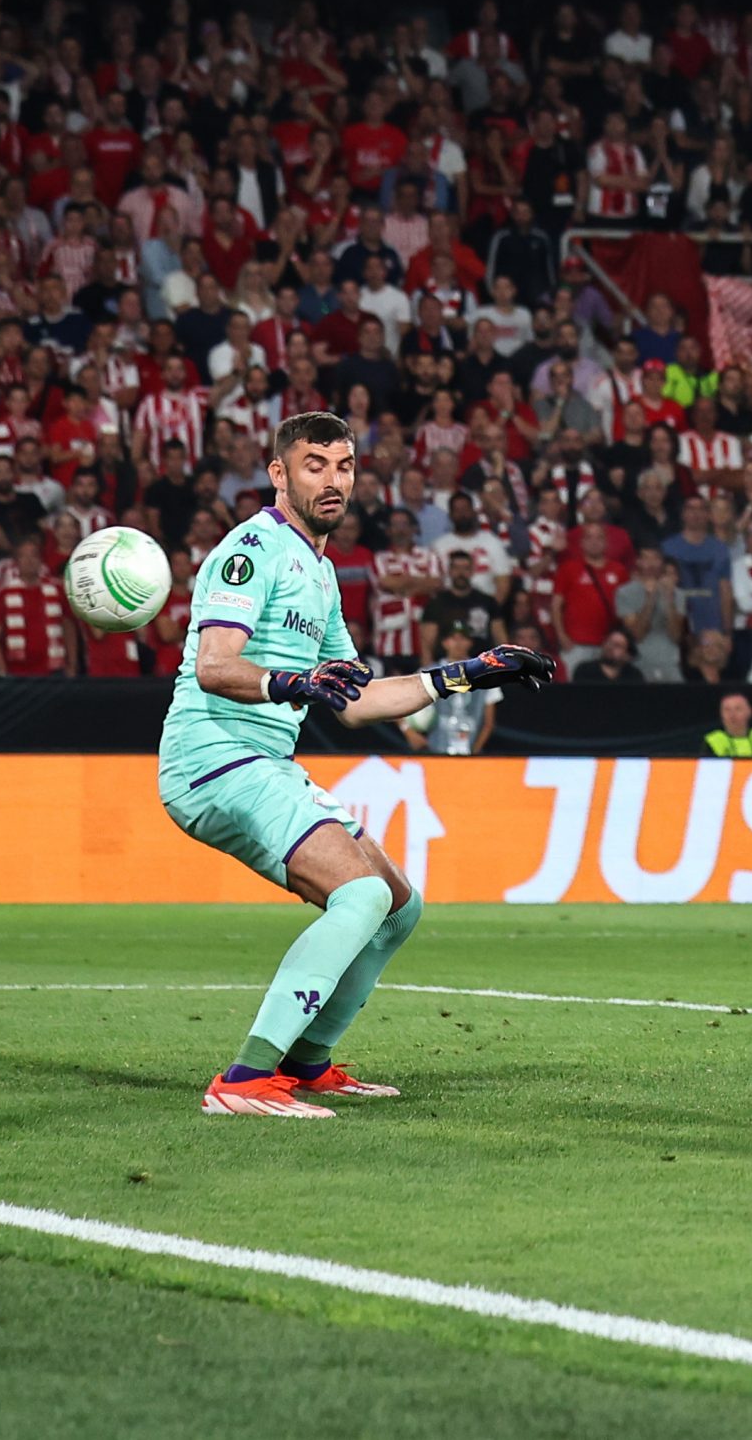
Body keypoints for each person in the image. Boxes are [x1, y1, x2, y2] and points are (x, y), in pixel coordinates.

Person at [158, 412, 553, 1118]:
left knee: (398, 905)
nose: (333, 479)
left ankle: (307, 1064)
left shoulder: (320, 570)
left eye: (343, 466)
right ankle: (243, 1080)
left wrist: (466, 673)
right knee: (360, 894)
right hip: (214, 756)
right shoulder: (251, 548)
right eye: (314, 465)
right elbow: (215, 666)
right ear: (279, 473)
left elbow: (356, 699)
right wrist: (293, 682)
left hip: (264, 758)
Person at [407, 626, 496, 756]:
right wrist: (409, 732)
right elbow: (399, 701)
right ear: (444, 642)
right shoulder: (428, 673)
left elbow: (489, 723)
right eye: (453, 638)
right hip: (434, 752)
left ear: (470, 642)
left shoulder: (485, 675)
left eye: (463, 638)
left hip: (470, 751)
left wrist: (475, 752)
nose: (458, 643)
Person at [704, 692, 752, 757]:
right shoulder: (712, 740)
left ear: (749, 712)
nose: (732, 715)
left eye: (738, 709)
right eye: (727, 710)